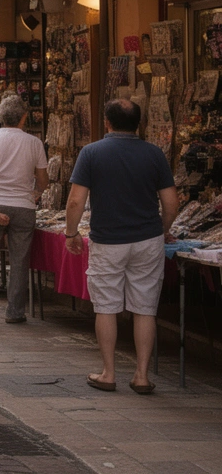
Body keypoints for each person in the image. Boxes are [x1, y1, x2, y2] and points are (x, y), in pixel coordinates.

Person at [65, 99, 177, 395]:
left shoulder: (91, 153)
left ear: (107, 122)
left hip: (108, 240)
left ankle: (109, 372)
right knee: (144, 307)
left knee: (106, 306)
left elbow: (75, 200)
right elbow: (170, 202)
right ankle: (141, 376)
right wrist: (162, 230)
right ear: (138, 123)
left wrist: (70, 232)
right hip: (148, 239)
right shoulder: (154, 154)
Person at [0, 95, 49, 329]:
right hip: (24, 206)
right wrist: (35, 193)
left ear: (0, 116)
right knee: (19, 260)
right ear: (24, 117)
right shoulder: (34, 143)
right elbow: (43, 179)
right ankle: (14, 311)